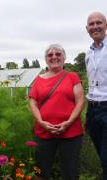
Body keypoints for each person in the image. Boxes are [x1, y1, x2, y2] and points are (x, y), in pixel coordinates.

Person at [29, 44, 84, 180]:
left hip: (71, 132)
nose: (54, 57)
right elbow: (33, 104)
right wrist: (41, 122)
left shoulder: (72, 76)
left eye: (58, 54)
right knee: (41, 170)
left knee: (70, 171)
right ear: (46, 59)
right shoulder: (38, 80)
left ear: (64, 58)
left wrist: (69, 122)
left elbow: (80, 101)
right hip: (43, 132)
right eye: (50, 55)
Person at [85, 12, 107, 180]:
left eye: (98, 22)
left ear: (106, 25)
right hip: (92, 109)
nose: (95, 26)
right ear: (87, 29)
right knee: (101, 155)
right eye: (91, 24)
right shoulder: (88, 54)